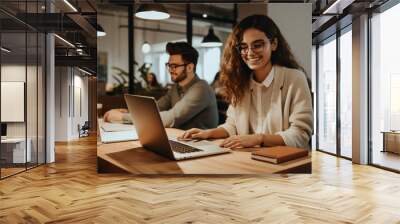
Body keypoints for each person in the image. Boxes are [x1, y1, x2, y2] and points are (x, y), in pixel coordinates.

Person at [180, 15, 313, 149]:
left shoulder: (295, 78)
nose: (249, 53)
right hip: (250, 159)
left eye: (257, 45)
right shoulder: (240, 81)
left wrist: (258, 138)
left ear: (273, 44)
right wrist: (208, 133)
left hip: (287, 162)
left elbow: (301, 134)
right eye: (243, 47)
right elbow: (232, 125)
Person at [104, 42, 218, 130]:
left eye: (174, 66)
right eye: (169, 65)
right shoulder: (176, 87)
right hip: (180, 140)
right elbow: (154, 108)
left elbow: (170, 118)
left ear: (189, 67)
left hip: (202, 147)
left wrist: (122, 118)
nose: (170, 70)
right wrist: (128, 113)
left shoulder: (201, 89)